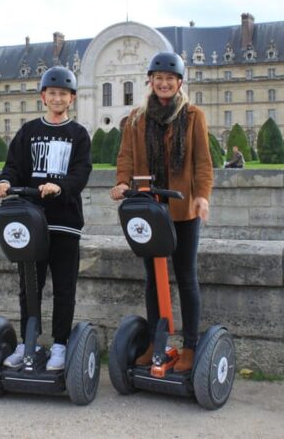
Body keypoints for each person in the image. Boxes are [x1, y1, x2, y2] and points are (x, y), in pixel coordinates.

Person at [110, 51, 213, 372]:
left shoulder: (194, 116)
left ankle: (191, 347)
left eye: (170, 79)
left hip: (183, 207)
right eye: (159, 79)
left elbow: (202, 162)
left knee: (185, 277)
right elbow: (126, 156)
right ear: (150, 82)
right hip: (149, 206)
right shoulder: (137, 118)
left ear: (179, 83)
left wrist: (203, 197)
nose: (164, 83)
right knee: (153, 279)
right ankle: (157, 342)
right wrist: (121, 182)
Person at [0, 66, 92, 371]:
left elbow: (81, 174)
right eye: (52, 93)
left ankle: (60, 345)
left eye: (63, 94)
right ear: (43, 97)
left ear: (71, 99)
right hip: (32, 223)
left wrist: (60, 186)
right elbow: (13, 166)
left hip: (65, 223)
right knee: (29, 287)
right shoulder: (29, 131)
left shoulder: (78, 135)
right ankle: (28, 342)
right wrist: (4, 182)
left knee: (64, 287)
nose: (57, 98)